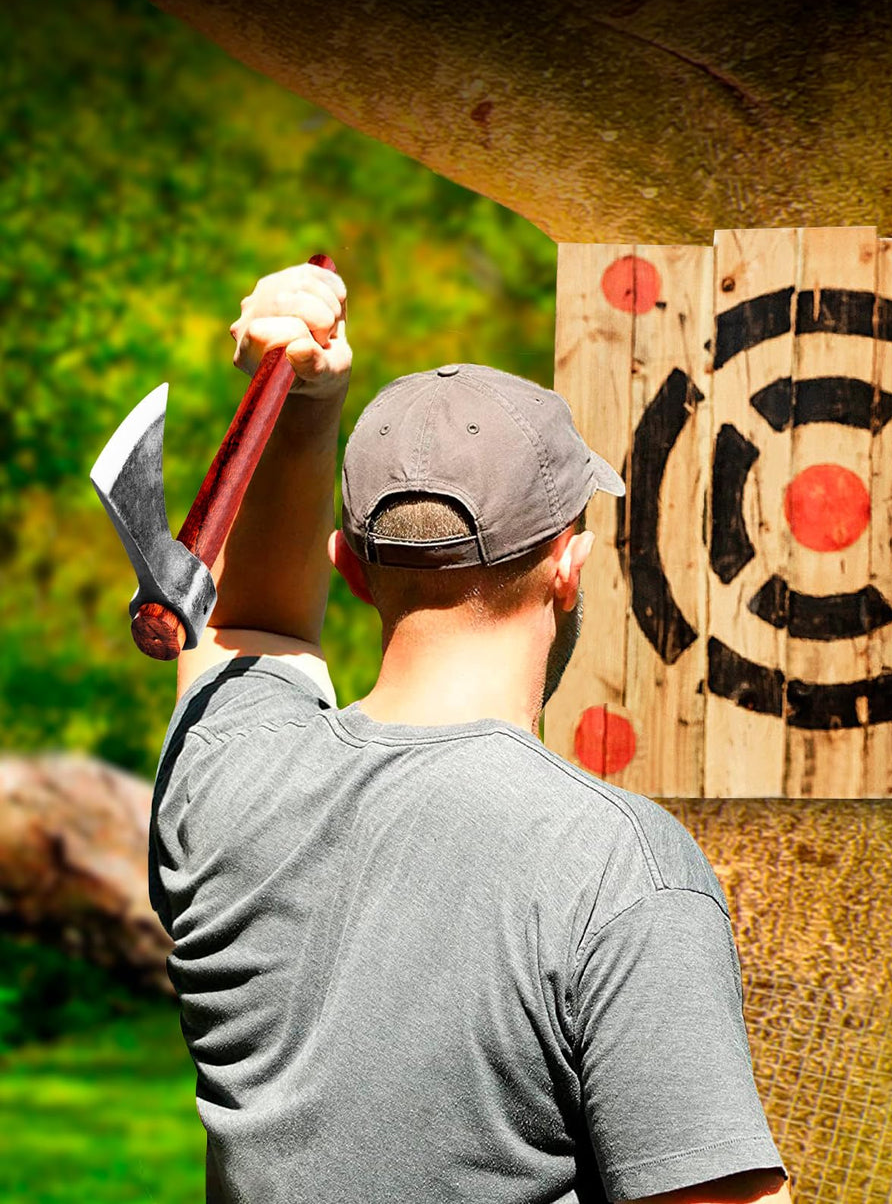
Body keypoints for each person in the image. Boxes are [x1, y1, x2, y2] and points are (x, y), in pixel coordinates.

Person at [150, 262, 791, 1204]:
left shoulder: (224, 783)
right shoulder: (616, 868)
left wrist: (299, 404)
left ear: (351, 568)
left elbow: (247, 630)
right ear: (570, 564)